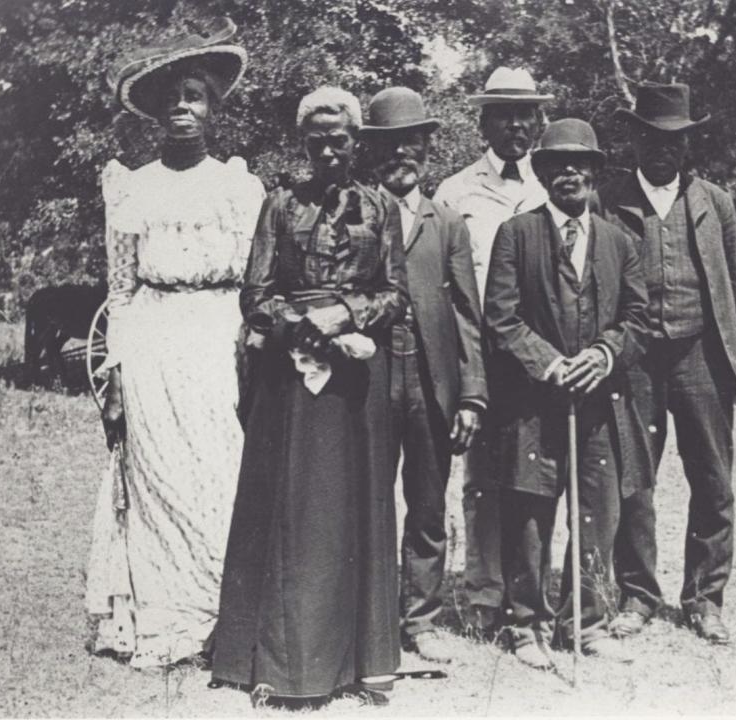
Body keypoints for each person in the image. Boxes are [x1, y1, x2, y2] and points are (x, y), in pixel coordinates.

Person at [210, 86, 409, 705]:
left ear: (356, 143)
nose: (328, 149)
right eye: (316, 139)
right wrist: (304, 328)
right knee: (290, 510)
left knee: (352, 509)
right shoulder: (279, 205)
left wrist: (347, 314)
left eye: (339, 139)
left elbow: (397, 294)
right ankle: (280, 664)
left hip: (356, 384)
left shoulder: (381, 208)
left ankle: (355, 664)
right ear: (304, 143)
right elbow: (255, 293)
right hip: (289, 382)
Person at [85, 17, 265, 668]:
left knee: (217, 473)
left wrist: (251, 352)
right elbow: (122, 289)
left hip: (217, 340)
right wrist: (118, 367)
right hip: (155, 339)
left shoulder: (239, 188)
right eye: (174, 99)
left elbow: (255, 287)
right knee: (157, 477)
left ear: (214, 109)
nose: (183, 108)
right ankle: (162, 620)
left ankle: (220, 617)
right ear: (158, 115)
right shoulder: (133, 187)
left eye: (195, 96)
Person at [483, 119, 652, 668]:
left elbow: (638, 318)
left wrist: (603, 355)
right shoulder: (518, 234)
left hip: (599, 402)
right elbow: (501, 320)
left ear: (596, 173)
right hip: (534, 402)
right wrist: (551, 364)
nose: (569, 173)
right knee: (531, 510)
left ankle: (587, 621)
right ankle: (524, 623)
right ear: (543, 173)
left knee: (596, 512)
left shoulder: (620, 241)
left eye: (580, 164)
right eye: (557, 164)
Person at [599, 82, 736, 644]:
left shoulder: (717, 203)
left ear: (688, 145)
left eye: (676, 140)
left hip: (700, 357)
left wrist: (711, 336)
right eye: (652, 137)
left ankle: (705, 599)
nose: (664, 149)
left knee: (712, 478)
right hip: (634, 360)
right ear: (635, 138)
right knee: (633, 481)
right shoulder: (607, 199)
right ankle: (637, 594)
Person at [360, 87, 487, 663]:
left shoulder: (449, 222)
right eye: (389, 145)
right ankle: (369, 614)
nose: (401, 156)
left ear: (427, 149)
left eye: (411, 143)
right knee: (368, 498)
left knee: (428, 505)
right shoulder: (355, 212)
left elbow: (467, 313)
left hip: (433, 380)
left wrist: (472, 396)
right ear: (373, 152)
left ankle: (422, 617)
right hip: (369, 379)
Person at [432, 66, 551, 634]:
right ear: (483, 120)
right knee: (480, 478)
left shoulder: (553, 186)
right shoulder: (455, 192)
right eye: (504, 113)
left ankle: (530, 592)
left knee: (532, 479)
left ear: (539, 120)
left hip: (537, 359)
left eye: (526, 114)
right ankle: (482, 596)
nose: (516, 125)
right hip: (478, 355)